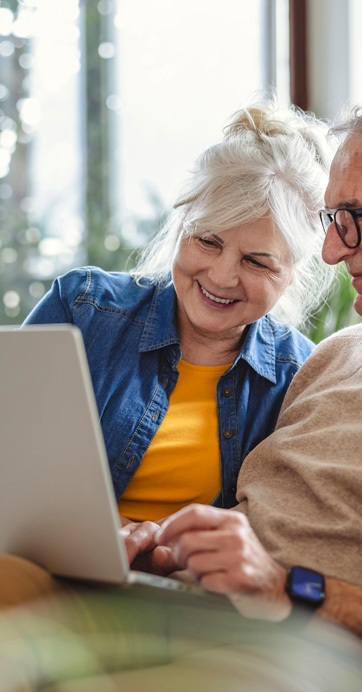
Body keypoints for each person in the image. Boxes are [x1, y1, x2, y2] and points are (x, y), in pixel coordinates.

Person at [3, 77, 362, 692]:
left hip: (302, 658)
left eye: (354, 219)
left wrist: (287, 589)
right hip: (183, 606)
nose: (333, 252)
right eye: (331, 221)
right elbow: (254, 518)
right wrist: (177, 546)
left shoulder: (296, 362)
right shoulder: (337, 356)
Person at [23, 99, 333, 522]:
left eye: (256, 261)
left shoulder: (301, 376)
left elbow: (285, 526)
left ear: (293, 272)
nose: (222, 277)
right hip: (45, 560)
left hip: (189, 585)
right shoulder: (82, 309)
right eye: (208, 240)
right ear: (182, 225)